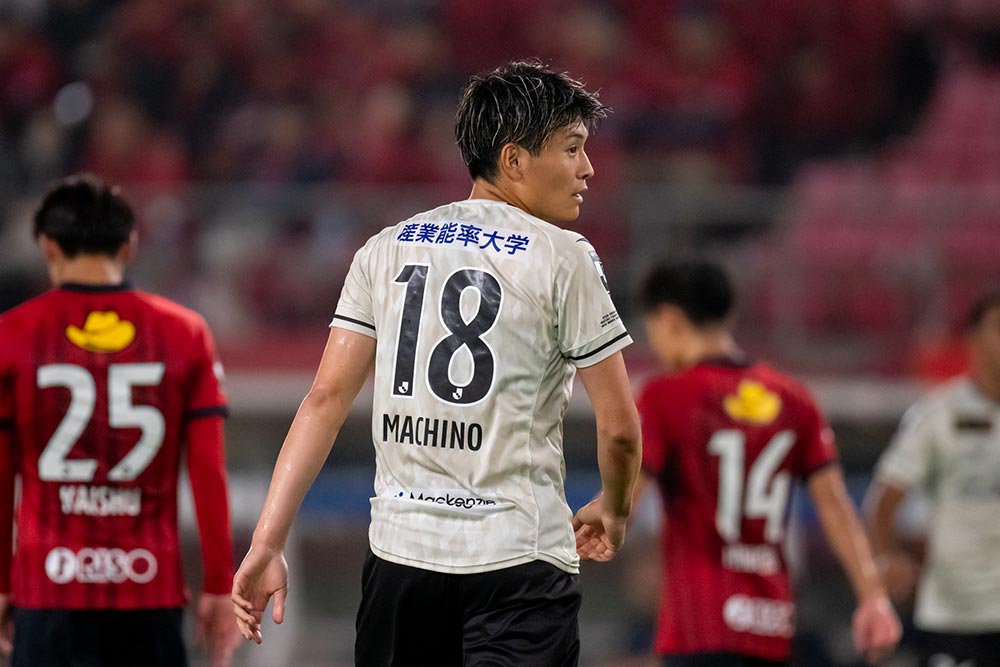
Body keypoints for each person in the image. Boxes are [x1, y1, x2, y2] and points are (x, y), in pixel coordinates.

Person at [231, 60, 642, 666]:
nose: (588, 168)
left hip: (401, 563)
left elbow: (324, 400)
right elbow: (621, 428)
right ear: (514, 159)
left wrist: (267, 540)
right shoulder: (564, 258)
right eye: (573, 148)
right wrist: (617, 507)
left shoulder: (383, 249)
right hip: (517, 562)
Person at [0, 174, 239, 667]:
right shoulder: (184, 333)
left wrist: (1, 583)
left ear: (48, 247)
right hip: (149, 593)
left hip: (47, 591)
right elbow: (209, 472)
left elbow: (1, 478)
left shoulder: (12, 335)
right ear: (130, 245)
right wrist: (219, 584)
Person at [631, 260, 901, 667]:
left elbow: (627, 497)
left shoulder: (664, 396)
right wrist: (873, 597)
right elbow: (835, 505)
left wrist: (588, 533)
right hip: (770, 625)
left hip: (698, 627)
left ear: (668, 319)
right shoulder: (794, 399)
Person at [864, 289, 1000, 667]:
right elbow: (884, 501)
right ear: (973, 339)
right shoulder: (937, 414)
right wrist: (888, 557)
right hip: (953, 615)